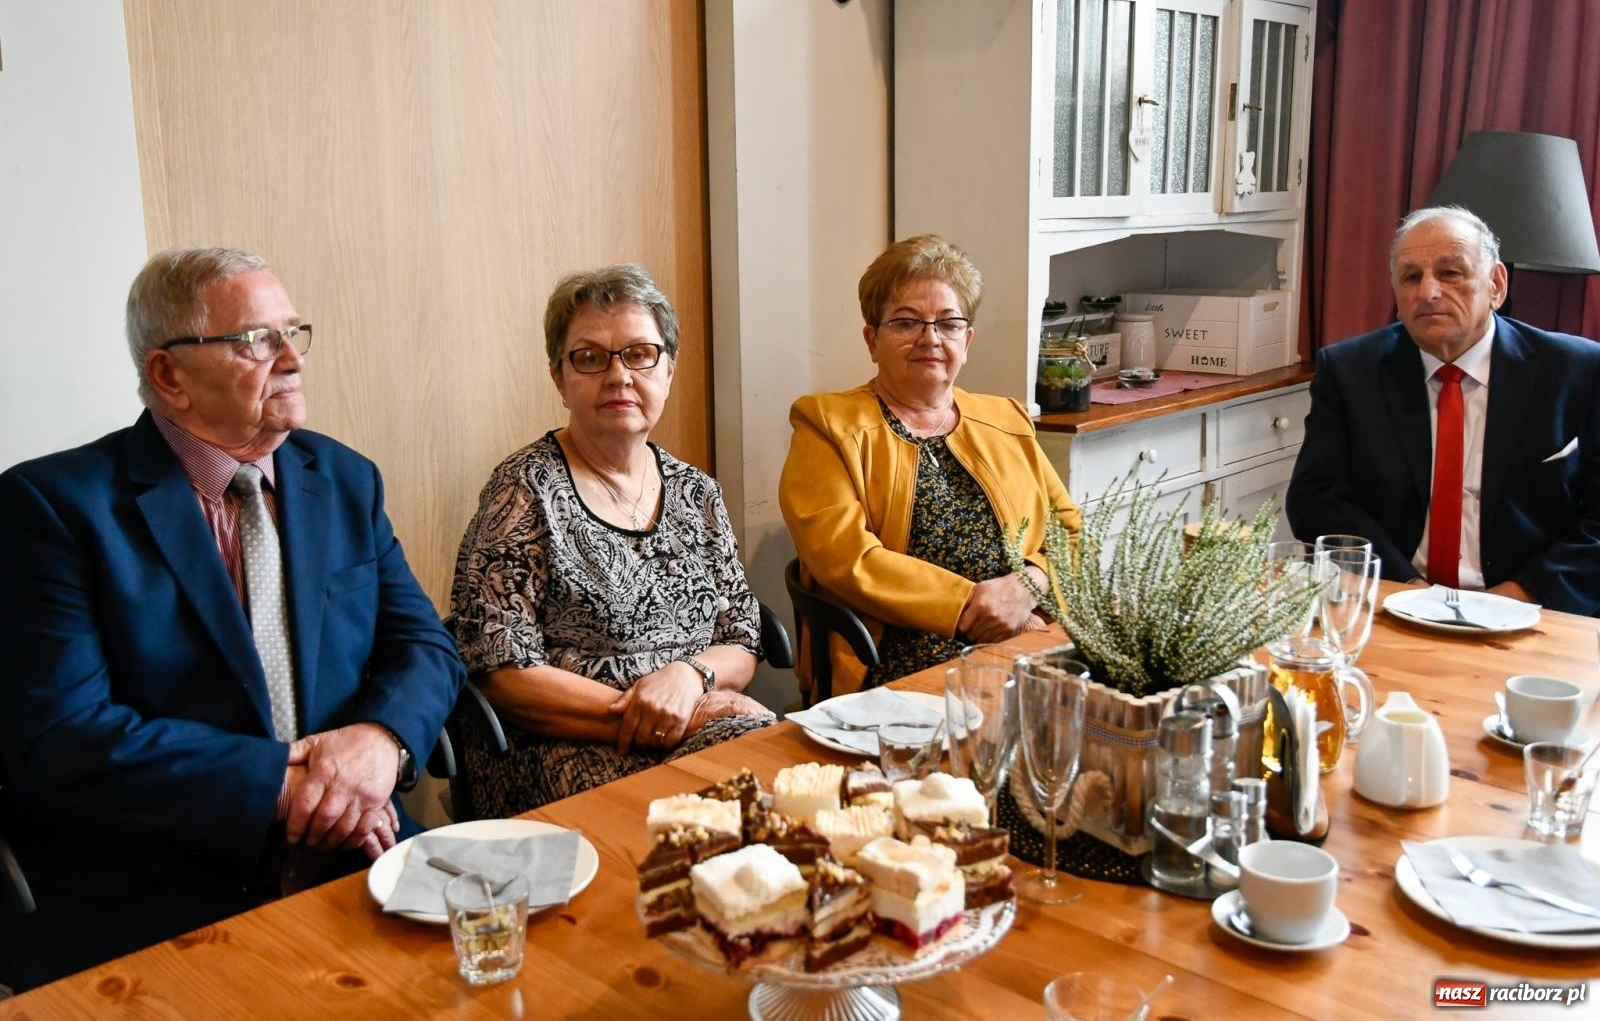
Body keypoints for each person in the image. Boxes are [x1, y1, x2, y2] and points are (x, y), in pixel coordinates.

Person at [0, 248, 465, 990]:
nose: (293, 359)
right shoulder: (53, 508)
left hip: (360, 846)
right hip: (163, 883)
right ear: (168, 376)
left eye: (293, 332)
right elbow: (63, 736)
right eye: (256, 340)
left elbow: (424, 646)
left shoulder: (344, 477)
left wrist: (382, 744)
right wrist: (282, 784)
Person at [449, 264, 774, 817]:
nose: (618, 376)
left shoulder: (697, 492)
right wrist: (659, 717)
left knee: (788, 779)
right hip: (564, 746)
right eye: (590, 357)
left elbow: (742, 640)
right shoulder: (523, 490)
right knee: (752, 790)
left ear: (668, 369)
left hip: (704, 722)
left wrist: (689, 676)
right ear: (559, 377)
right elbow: (502, 671)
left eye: (640, 354)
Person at [779, 234, 1082, 696]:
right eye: (906, 323)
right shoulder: (827, 425)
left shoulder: (1006, 419)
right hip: (901, 652)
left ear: (967, 340)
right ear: (872, 340)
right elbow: (848, 560)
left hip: (1027, 628)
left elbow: (1073, 536)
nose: (930, 338)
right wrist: (971, 607)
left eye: (948, 323)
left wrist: (1025, 589)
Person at [1287, 206, 1600, 615]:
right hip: (1393, 601)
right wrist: (1408, 591)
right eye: (1411, 277)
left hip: (1535, 609)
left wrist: (1519, 595)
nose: (1428, 292)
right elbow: (1317, 500)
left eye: (1450, 273)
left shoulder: (1577, 371)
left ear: (1496, 285)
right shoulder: (1350, 372)